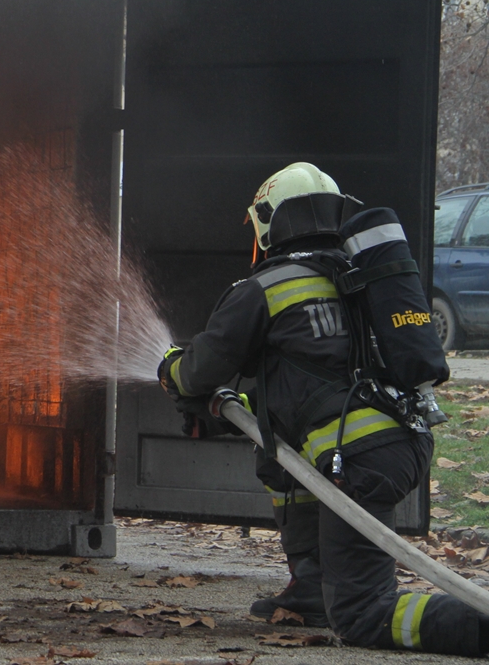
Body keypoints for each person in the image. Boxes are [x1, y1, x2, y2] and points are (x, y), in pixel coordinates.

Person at [156, 162, 487, 656]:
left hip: (353, 461)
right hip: (397, 442)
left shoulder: (266, 288)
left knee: (364, 615)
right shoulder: (359, 273)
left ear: (269, 223)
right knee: (281, 455)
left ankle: (475, 626)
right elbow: (318, 381)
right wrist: (242, 409)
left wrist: (171, 370)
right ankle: (311, 586)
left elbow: (199, 371)